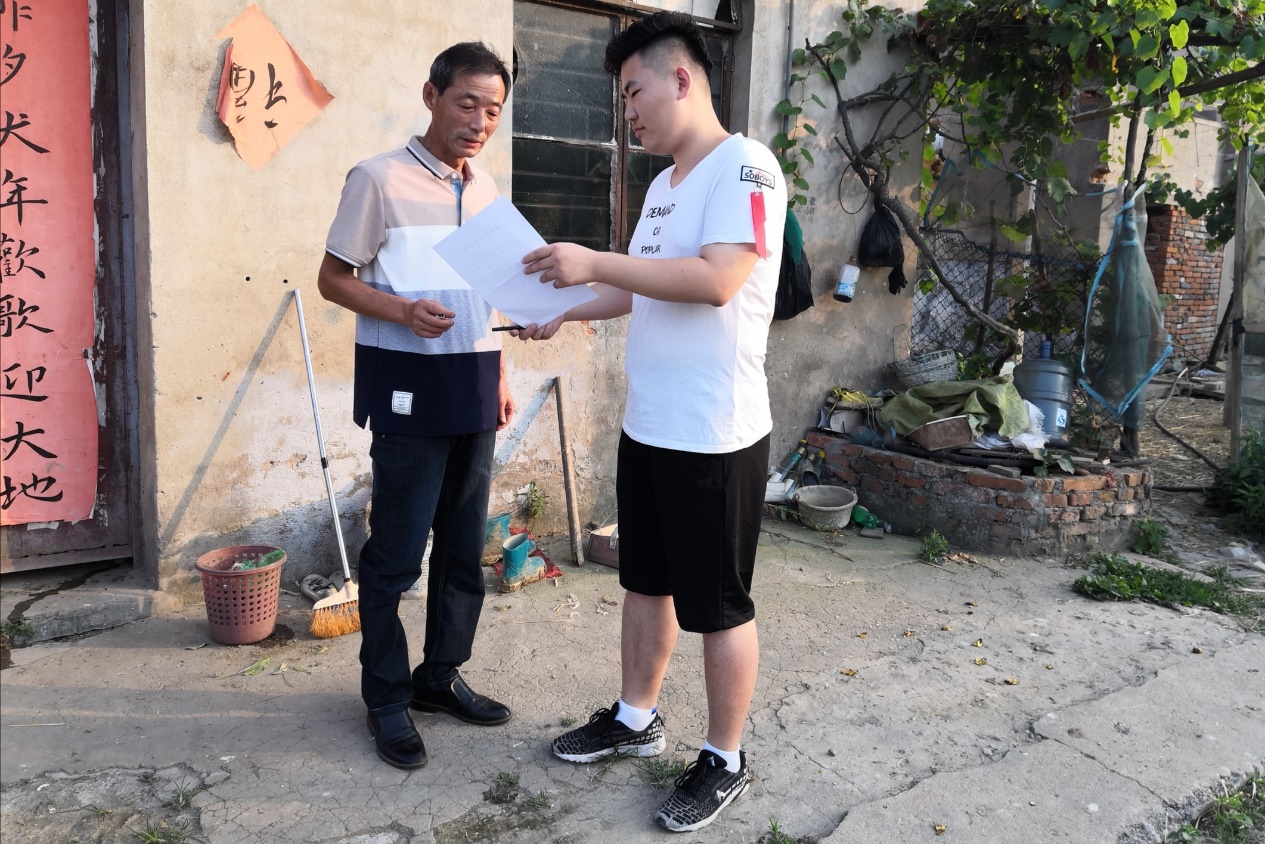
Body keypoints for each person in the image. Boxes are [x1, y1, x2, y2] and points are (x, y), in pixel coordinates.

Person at [514, 12, 787, 833]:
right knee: (644, 583)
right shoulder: (666, 186)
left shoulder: (745, 166)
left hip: (715, 434)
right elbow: (637, 284)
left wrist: (591, 260)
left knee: (719, 605)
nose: (627, 111)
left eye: (633, 92)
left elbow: (715, 280)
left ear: (681, 78)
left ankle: (724, 757)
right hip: (652, 425)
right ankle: (635, 718)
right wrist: (565, 309)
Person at [317, 42, 515, 771]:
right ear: (431, 96)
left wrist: (500, 371)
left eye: (493, 110)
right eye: (467, 103)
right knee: (396, 555)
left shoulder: (487, 189)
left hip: (475, 387)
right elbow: (333, 279)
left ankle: (439, 677)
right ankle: (386, 698)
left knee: (463, 550)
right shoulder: (377, 178)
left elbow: (493, 292)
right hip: (406, 390)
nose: (479, 122)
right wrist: (402, 311)